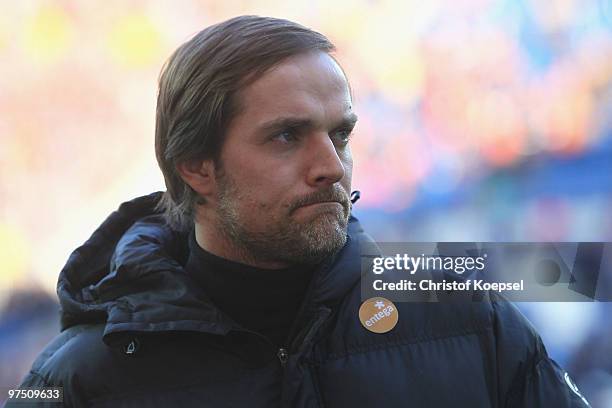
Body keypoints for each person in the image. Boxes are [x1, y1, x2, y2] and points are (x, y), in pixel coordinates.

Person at [7, 15, 590, 408]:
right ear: (196, 166)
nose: (330, 166)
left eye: (340, 135)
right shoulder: (80, 378)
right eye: (287, 136)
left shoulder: (465, 313)